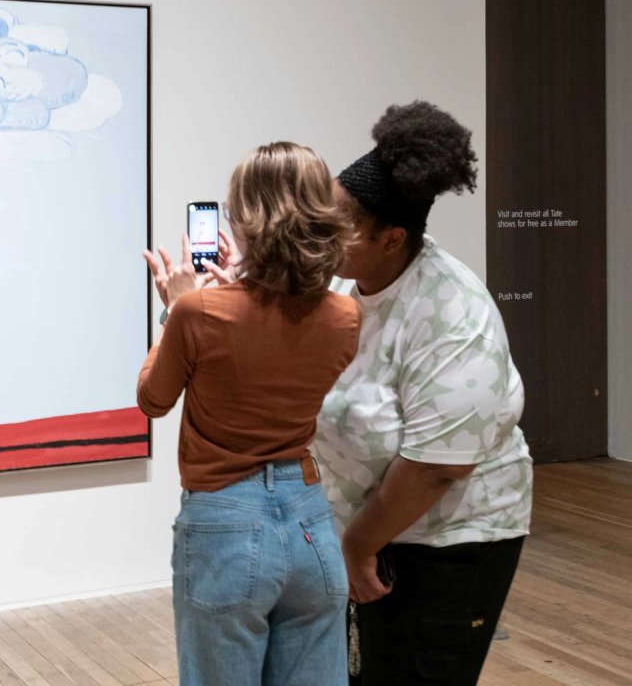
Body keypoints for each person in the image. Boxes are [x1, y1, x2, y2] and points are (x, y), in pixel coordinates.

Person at [311, 101, 533, 685]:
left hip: (450, 541)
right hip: (370, 527)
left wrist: (358, 547)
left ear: (392, 238)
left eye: (342, 223)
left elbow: (436, 467)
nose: (323, 233)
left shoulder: (452, 312)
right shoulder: (343, 279)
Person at [138, 142, 361, 686]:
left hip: (224, 527)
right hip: (311, 523)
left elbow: (153, 399)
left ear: (244, 223)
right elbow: (273, 327)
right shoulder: (345, 315)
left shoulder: (196, 312)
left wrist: (175, 306)